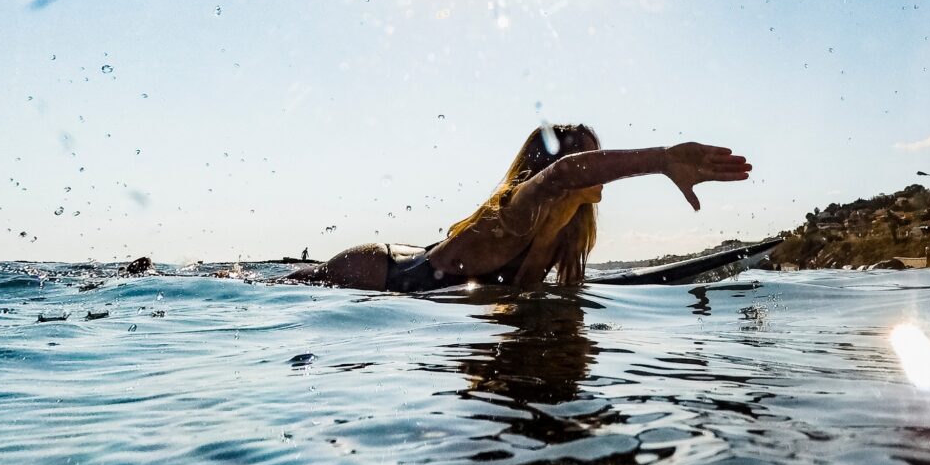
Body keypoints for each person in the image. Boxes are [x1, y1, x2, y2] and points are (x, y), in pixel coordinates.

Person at [281, 124, 751, 291]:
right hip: (384, 272)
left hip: (419, 259)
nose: (598, 170)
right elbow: (565, 176)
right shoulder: (518, 209)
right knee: (285, 288)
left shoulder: (569, 230)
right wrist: (662, 159)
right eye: (589, 159)